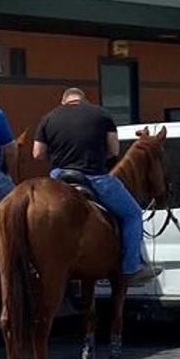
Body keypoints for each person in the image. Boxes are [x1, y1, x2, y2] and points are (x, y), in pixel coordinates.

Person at [33, 88, 162, 285]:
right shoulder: (101, 114)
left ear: (63, 101)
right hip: (94, 177)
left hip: (59, 177)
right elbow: (114, 150)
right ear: (84, 100)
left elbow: (37, 154)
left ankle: (31, 264)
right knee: (133, 214)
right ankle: (131, 267)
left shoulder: (48, 118)